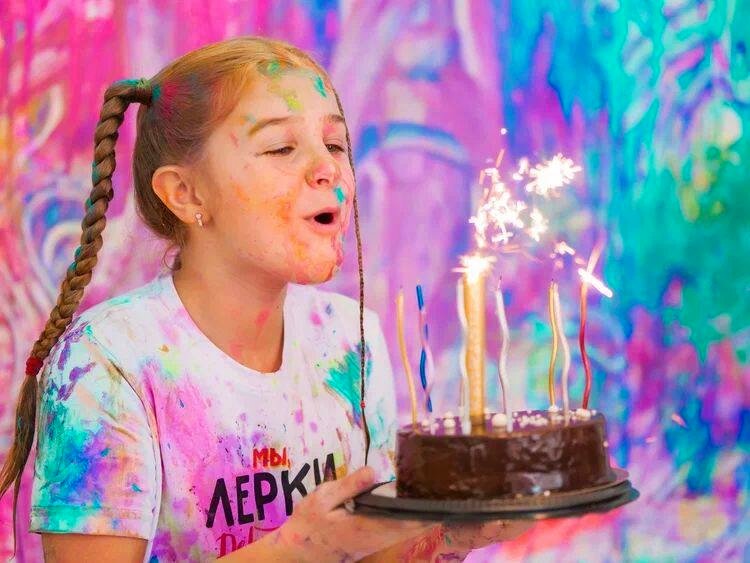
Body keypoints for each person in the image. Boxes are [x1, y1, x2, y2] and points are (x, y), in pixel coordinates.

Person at [0, 36, 530, 561]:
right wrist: (303, 546)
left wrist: (446, 534)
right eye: (281, 148)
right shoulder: (106, 362)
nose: (328, 168)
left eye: (335, 144)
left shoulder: (348, 338)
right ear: (186, 193)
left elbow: (370, 552)